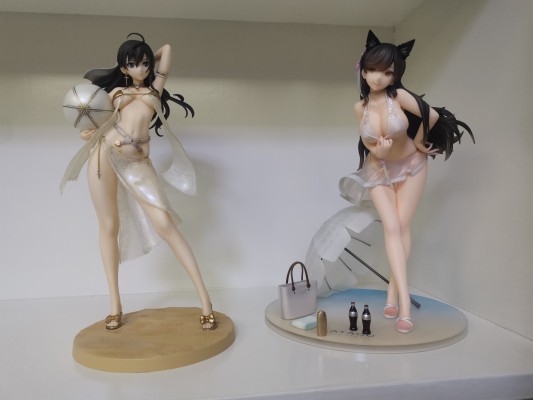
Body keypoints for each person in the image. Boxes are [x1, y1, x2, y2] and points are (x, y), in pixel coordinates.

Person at [60, 33, 216, 331]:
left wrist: (140, 55)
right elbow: (94, 122)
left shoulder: (155, 89)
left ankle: (206, 303)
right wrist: (88, 132)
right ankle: (115, 306)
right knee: (109, 226)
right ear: (123, 68)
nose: (141, 69)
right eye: (133, 64)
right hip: (104, 156)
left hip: (138, 164)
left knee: (165, 225)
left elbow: (167, 50)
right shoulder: (115, 93)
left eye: (144, 63)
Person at [339, 30, 473, 334]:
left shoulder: (398, 97)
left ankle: (396, 299)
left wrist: (421, 141)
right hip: (378, 170)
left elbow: (432, 116)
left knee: (401, 225)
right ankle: (402, 300)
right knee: (392, 227)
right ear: (363, 70)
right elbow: (368, 143)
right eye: (372, 69)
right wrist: (380, 151)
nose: (378, 77)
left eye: (387, 72)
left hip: (412, 164)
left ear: (396, 75)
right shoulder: (360, 108)